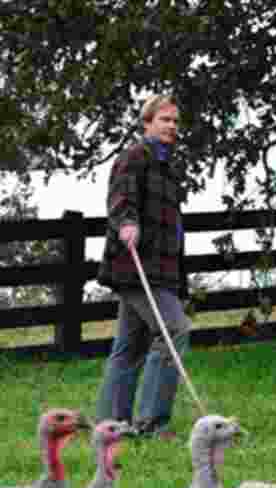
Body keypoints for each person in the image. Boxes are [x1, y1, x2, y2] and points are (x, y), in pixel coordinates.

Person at [95, 94, 190, 440]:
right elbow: (121, 198)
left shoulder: (170, 167)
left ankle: (111, 427)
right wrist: (127, 223)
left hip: (161, 270)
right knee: (174, 330)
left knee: (130, 347)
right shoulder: (133, 157)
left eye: (176, 121)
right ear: (147, 123)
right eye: (165, 119)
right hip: (136, 265)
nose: (172, 127)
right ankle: (152, 424)